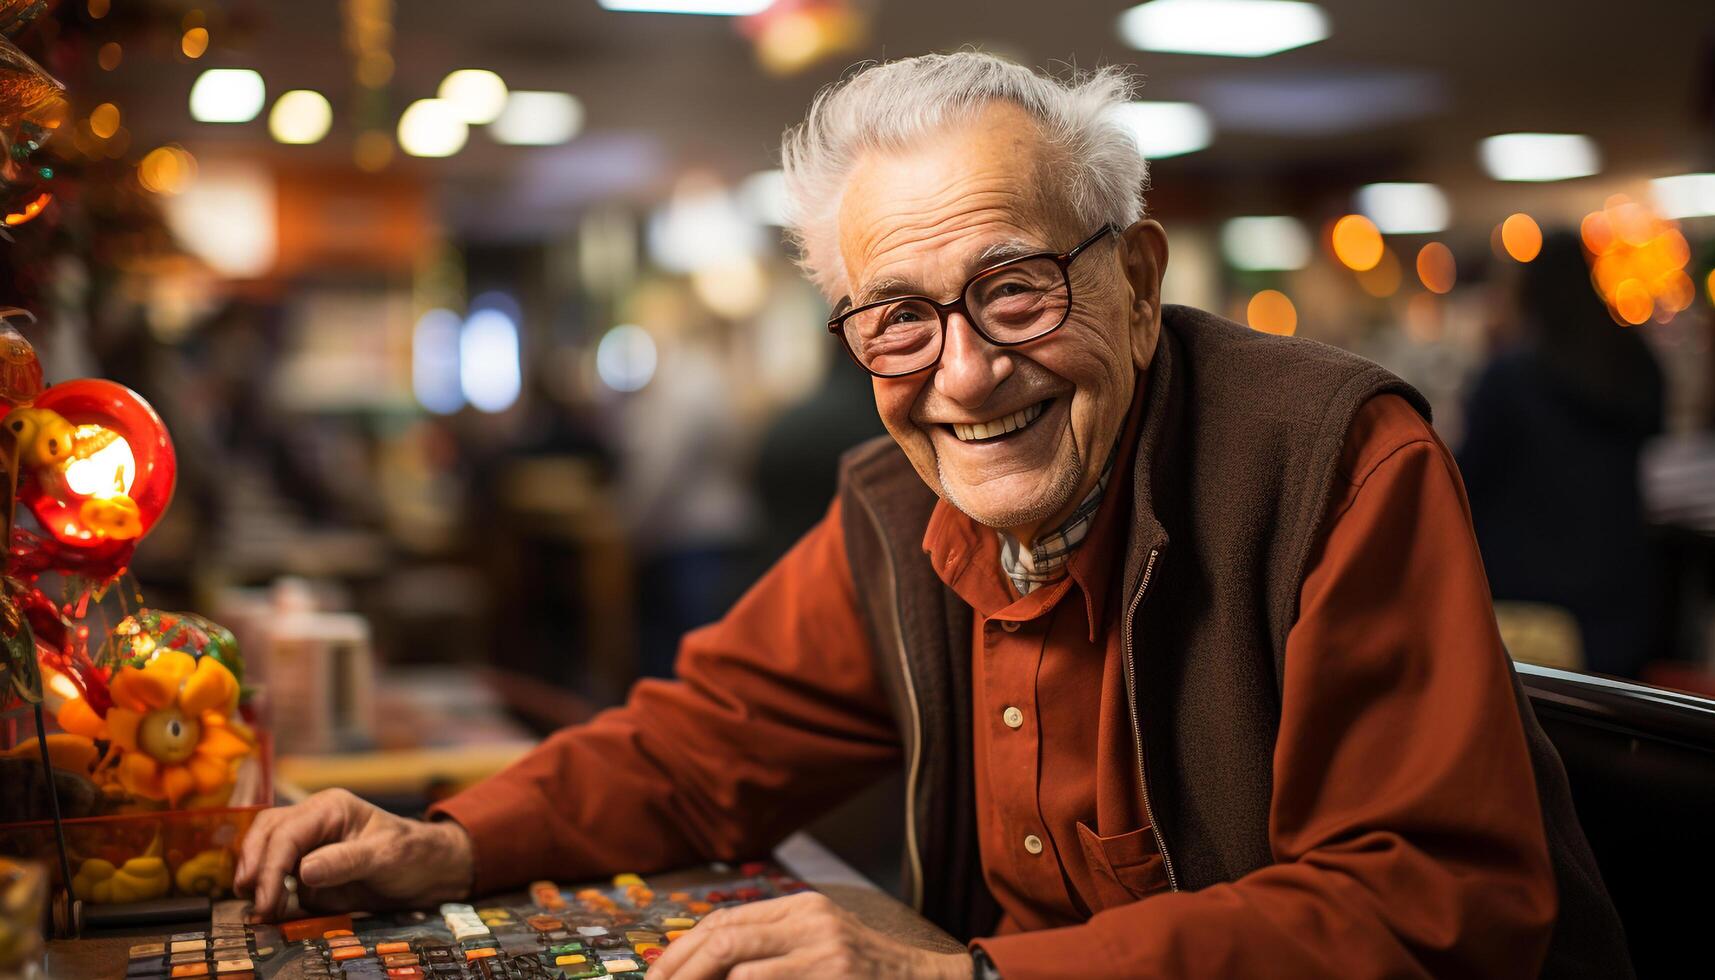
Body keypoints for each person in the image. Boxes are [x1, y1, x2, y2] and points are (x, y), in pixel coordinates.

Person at [235, 54, 1628, 978]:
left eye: (1014, 288)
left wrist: (954, 972)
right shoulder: (900, 505)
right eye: (895, 320)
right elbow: (694, 748)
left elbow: (1440, 905)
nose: (961, 374)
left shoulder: (1330, 458)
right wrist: (459, 842)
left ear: (1136, 283)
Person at [1458, 231, 1667, 678]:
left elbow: (1462, 483)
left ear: (1530, 289)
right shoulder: (1635, 360)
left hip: (1530, 613)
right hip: (1624, 598)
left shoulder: (1509, 378)